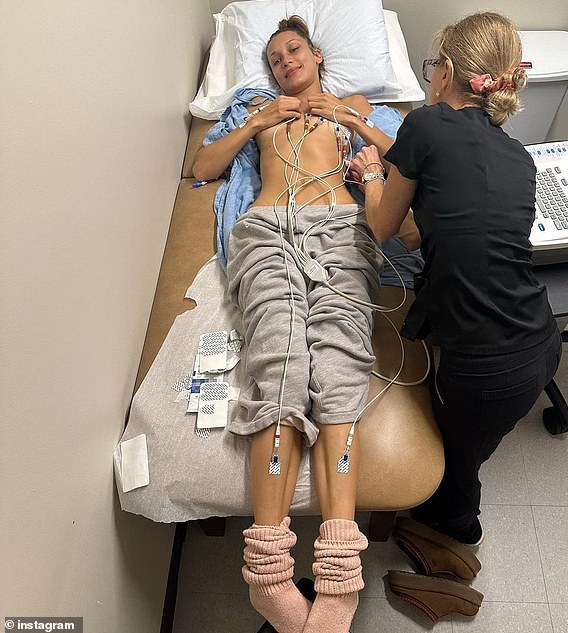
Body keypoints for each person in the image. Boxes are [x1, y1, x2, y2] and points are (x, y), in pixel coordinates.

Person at [193, 16, 404, 633]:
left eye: (294, 50)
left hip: (341, 233)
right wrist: (257, 123)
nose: (285, 61)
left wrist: (348, 120)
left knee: (339, 383)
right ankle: (268, 574)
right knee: (280, 380)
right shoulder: (256, 109)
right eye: (275, 56)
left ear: (316, 54)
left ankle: (339, 573)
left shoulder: (356, 105)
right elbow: (203, 166)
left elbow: (408, 162)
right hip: (268, 233)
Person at [350, 11, 562, 547]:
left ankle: (454, 535)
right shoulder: (518, 157)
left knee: (455, 467)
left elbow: (380, 227)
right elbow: (425, 237)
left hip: (486, 371)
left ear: (445, 71)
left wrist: (373, 175)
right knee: (475, 443)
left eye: (430, 68)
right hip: (541, 339)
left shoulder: (423, 125)